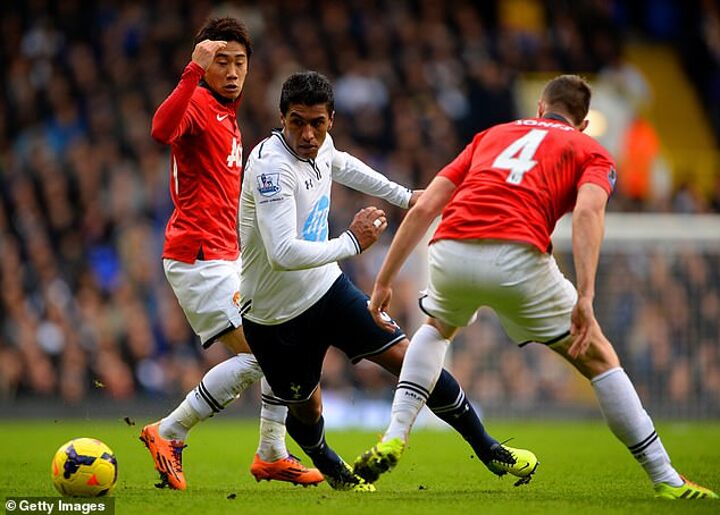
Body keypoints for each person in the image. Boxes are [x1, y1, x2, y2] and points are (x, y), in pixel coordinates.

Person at [354, 75, 718, 501]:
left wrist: (383, 280)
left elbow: (426, 205)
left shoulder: (491, 135)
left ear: (541, 109)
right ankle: (666, 478)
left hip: (451, 248)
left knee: (436, 327)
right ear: (583, 124)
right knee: (599, 358)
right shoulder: (590, 149)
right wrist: (586, 295)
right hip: (518, 254)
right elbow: (588, 215)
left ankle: (395, 434)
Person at [238, 70, 538, 492]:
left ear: (331, 120)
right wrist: (352, 242)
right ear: (281, 117)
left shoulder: (322, 146)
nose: (307, 134)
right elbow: (282, 254)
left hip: (325, 289)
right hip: (275, 316)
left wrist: (405, 196)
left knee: (408, 357)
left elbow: (342, 164)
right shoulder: (271, 169)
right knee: (307, 408)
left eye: (317, 123)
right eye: (297, 122)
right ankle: (332, 468)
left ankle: (488, 448)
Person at [139, 17, 323, 490]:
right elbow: (160, 130)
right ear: (204, 64)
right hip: (199, 256)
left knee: (282, 341)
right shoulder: (200, 104)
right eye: (221, 61)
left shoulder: (227, 114)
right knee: (268, 355)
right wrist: (191, 71)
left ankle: (271, 453)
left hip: (227, 255)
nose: (233, 71)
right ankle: (170, 431)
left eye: (240, 61)